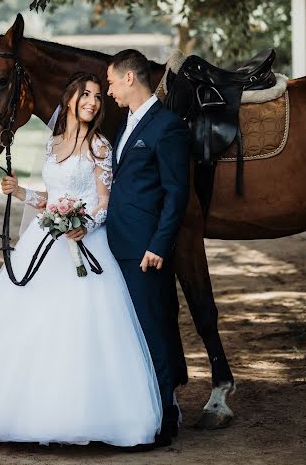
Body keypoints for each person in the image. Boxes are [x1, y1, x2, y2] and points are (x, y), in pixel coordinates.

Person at [0, 71, 162, 448]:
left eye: (98, 96)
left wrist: (83, 224)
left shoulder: (100, 147)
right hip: (45, 242)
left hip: (86, 243)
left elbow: (104, 203)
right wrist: (20, 192)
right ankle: (19, 408)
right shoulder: (53, 145)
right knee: (29, 323)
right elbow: (50, 198)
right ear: (70, 100)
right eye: (86, 94)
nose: (93, 102)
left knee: (82, 328)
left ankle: (84, 414)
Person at [106, 49, 191, 448]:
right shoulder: (125, 126)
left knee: (155, 328)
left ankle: (165, 418)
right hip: (118, 245)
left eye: (110, 82)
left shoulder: (167, 126)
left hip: (146, 249)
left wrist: (159, 244)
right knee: (134, 330)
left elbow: (177, 194)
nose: (107, 92)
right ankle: (148, 410)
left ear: (129, 78)